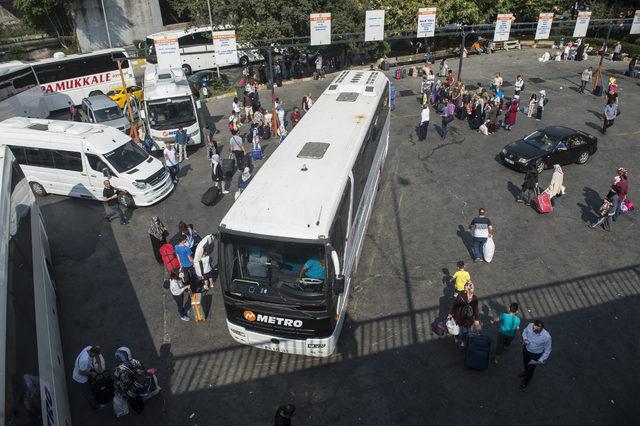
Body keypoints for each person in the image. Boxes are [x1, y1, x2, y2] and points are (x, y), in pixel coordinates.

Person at [113, 347, 146, 414]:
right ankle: (141, 407)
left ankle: (138, 410)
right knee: (138, 397)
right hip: (139, 385)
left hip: (130, 390)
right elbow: (143, 369)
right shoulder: (135, 361)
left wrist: (117, 390)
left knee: (132, 401)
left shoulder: (119, 370)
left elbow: (119, 382)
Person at [520, 320, 552, 389]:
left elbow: (548, 349)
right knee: (525, 363)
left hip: (535, 355)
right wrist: (525, 339)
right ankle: (525, 372)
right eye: (533, 328)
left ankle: (526, 381)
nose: (533, 330)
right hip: (526, 349)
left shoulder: (547, 337)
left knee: (531, 369)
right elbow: (525, 331)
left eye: (536, 329)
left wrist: (541, 359)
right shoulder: (530, 325)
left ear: (541, 329)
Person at [449, 281, 480, 347]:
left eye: (465, 286)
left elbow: (455, 306)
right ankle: (460, 339)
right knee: (463, 330)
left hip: (464, 317)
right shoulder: (472, 297)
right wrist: (476, 319)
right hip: (465, 318)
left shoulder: (462, 296)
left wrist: (451, 313)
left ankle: (460, 339)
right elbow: (475, 309)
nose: (464, 287)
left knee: (462, 330)